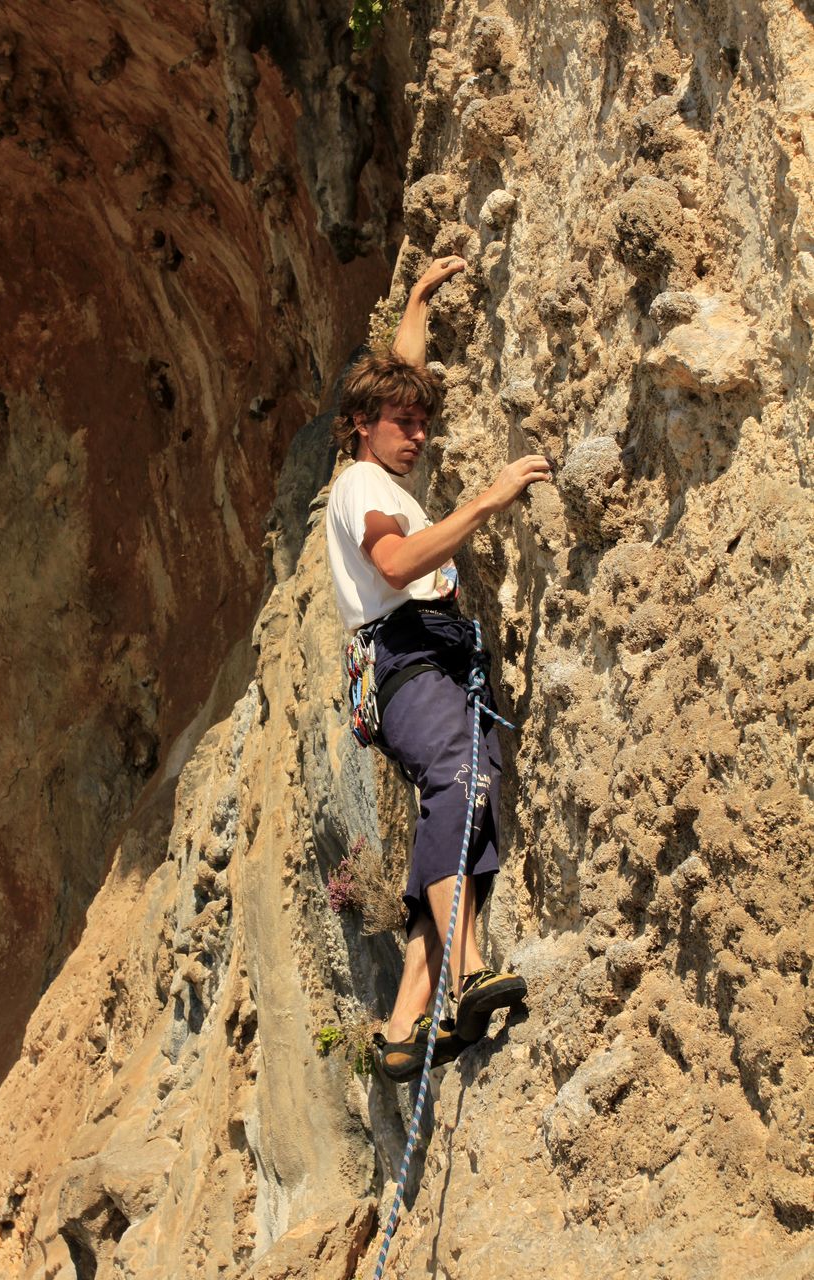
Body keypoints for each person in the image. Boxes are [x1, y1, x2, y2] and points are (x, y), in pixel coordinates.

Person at [326, 257, 553, 1080]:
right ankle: (465, 979)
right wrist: (486, 503)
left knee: (475, 806)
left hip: (432, 658)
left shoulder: (384, 469)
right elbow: (393, 563)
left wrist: (416, 302)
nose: (416, 434)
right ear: (359, 425)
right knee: (458, 781)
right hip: (406, 654)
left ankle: (402, 1031)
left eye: (423, 422)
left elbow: (404, 379)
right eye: (399, 422)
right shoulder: (359, 484)